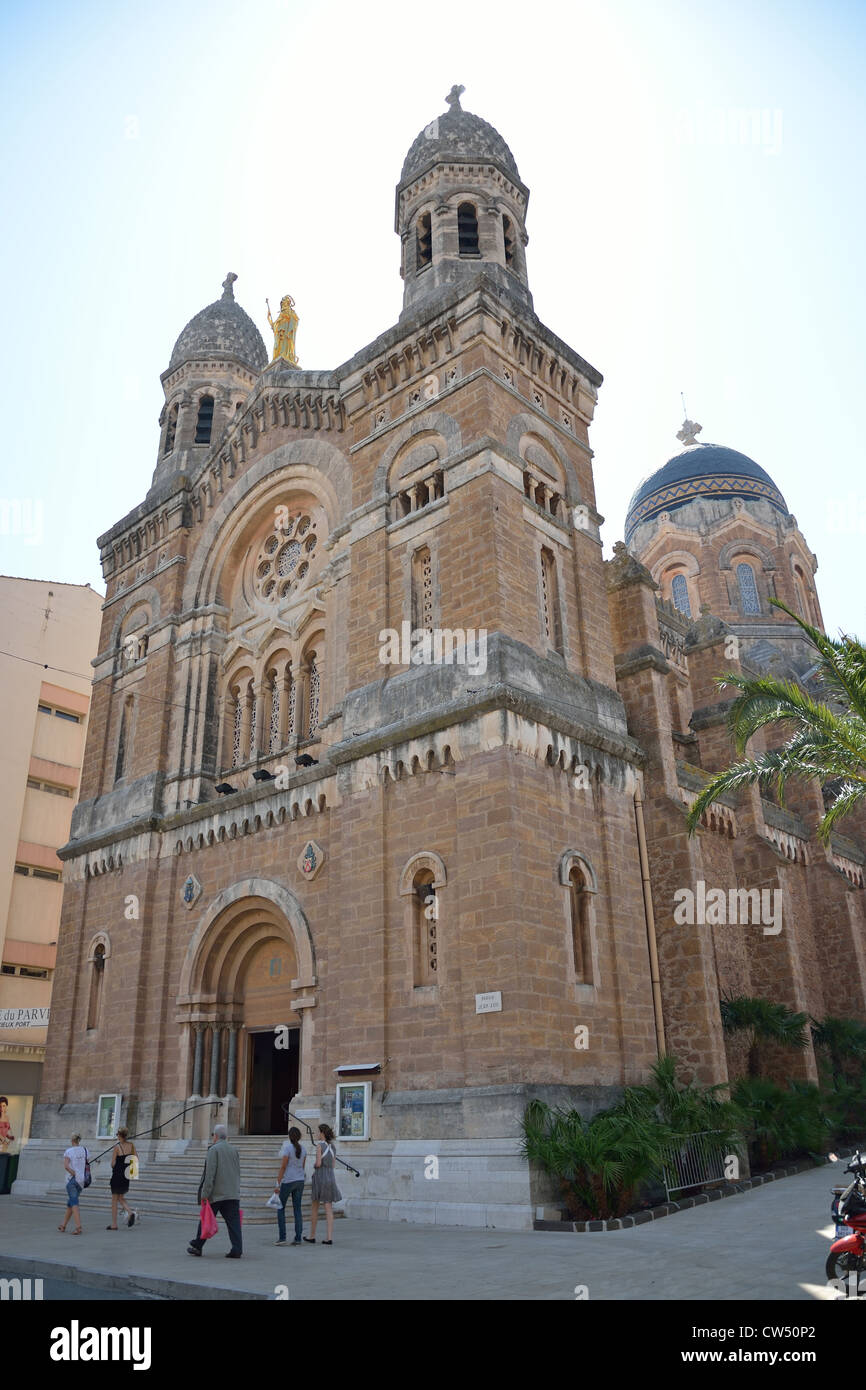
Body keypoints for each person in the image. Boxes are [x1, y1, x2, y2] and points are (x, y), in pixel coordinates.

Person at [187, 1123, 242, 1258]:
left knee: (205, 1219)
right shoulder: (233, 1150)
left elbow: (210, 1174)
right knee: (233, 1222)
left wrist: (205, 1194)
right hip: (232, 1193)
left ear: (215, 1136)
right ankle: (237, 1248)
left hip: (217, 1193)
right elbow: (237, 1171)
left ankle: (198, 1246)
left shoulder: (213, 1150)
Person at [304, 1123, 341, 1245]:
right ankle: (329, 1237)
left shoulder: (319, 1146)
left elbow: (318, 1163)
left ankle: (312, 1235)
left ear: (322, 1133)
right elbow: (333, 1164)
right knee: (328, 1208)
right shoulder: (333, 1147)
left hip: (320, 1177)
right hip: (330, 1177)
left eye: (318, 1132)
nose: (317, 1134)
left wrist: (314, 1165)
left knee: (315, 1207)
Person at [274, 1127, 306, 1246]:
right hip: (300, 1180)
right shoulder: (304, 1149)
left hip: (288, 1180)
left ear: (290, 1136)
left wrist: (277, 1183)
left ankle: (282, 1237)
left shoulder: (287, 1149)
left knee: (280, 1208)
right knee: (297, 1209)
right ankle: (298, 1238)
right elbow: (302, 1166)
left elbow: (283, 1167)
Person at [107, 1127, 137, 1230]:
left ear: (119, 1135)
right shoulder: (131, 1145)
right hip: (126, 1175)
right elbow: (136, 1159)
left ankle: (114, 1224)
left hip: (117, 1175)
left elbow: (112, 1164)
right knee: (120, 1197)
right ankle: (130, 1212)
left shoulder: (117, 1147)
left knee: (114, 1200)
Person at [58, 1133, 87, 1234]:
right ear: (79, 1140)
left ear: (72, 1140)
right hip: (82, 1180)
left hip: (72, 1180)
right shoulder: (85, 1150)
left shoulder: (68, 1151)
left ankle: (78, 1227)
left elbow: (66, 1166)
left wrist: (73, 1173)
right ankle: (63, 1225)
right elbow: (86, 1163)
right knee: (71, 1203)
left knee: (74, 1203)